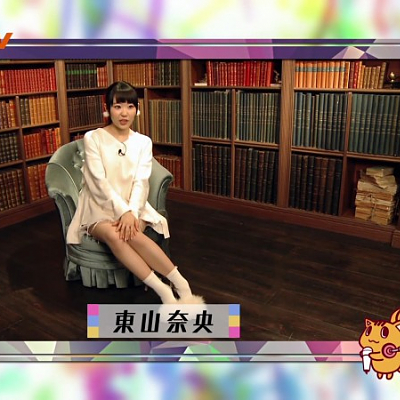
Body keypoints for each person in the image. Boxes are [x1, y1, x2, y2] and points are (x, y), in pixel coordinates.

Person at [66, 81, 203, 305]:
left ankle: (181, 284)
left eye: (130, 106)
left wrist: (132, 212)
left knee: (129, 231)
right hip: (98, 205)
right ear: (107, 108)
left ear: (137, 110)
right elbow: (98, 182)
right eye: (118, 106)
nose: (124, 113)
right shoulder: (93, 138)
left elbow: (141, 181)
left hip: (134, 203)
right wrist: (123, 212)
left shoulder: (143, 142)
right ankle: (164, 291)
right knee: (115, 234)